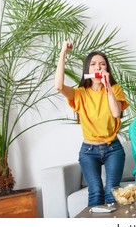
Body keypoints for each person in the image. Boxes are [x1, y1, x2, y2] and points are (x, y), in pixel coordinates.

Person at [55, 41, 129, 206]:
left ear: (107, 69)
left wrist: (107, 84)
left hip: (113, 149)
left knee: (112, 191)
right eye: (93, 64)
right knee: (95, 191)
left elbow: (116, 112)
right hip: (88, 151)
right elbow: (58, 86)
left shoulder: (115, 88)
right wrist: (63, 52)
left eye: (102, 64)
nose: (98, 68)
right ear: (87, 70)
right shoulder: (80, 94)